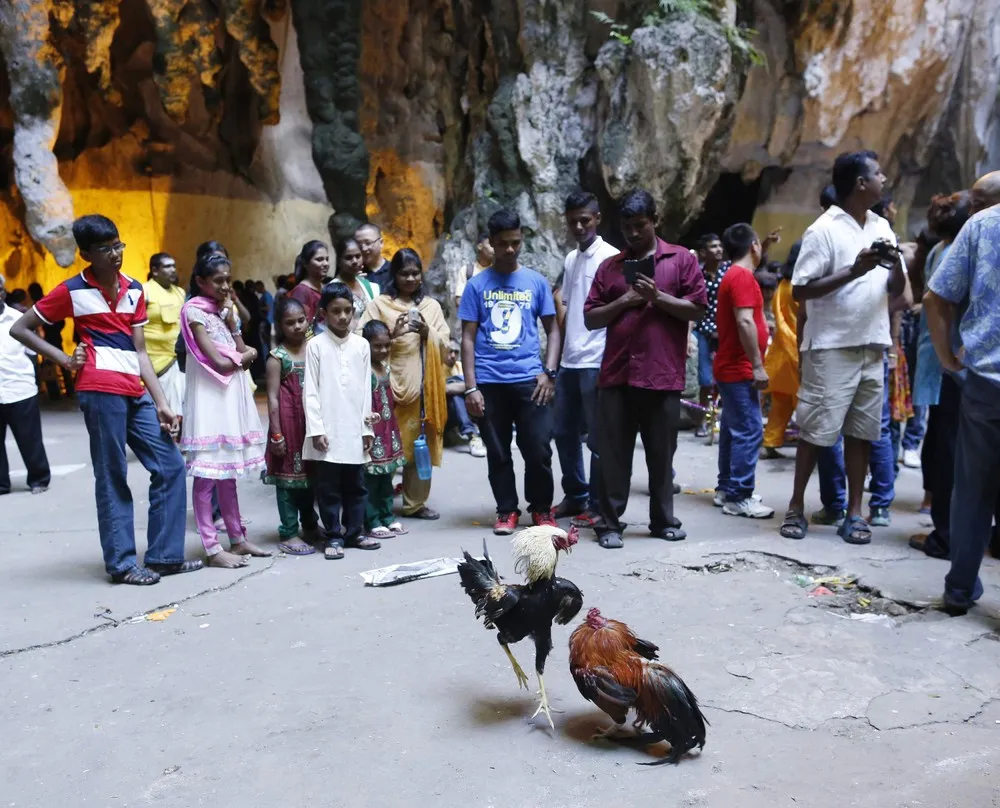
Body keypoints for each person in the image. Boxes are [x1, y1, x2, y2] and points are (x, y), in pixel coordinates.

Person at [11, 215, 202, 584]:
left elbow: (141, 351)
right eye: (105, 249)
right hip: (99, 390)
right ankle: (123, 564)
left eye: (118, 245)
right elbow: (21, 328)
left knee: (171, 466)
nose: (115, 254)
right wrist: (65, 360)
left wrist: (161, 401)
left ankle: (163, 557)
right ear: (86, 254)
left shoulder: (134, 289)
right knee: (112, 474)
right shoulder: (71, 291)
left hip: (134, 389)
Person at [779, 151, 906, 545]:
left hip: (872, 344)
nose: (885, 178)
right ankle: (796, 507)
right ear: (860, 184)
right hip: (831, 346)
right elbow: (800, 289)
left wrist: (895, 262)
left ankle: (854, 513)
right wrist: (856, 269)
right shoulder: (824, 229)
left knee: (862, 434)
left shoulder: (881, 225)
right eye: (878, 173)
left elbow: (898, 292)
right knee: (816, 431)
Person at [584, 190, 708, 548]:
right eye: (627, 227)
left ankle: (663, 520)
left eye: (640, 225)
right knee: (613, 455)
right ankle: (608, 523)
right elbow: (590, 318)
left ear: (654, 220)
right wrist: (626, 300)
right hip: (617, 375)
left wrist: (658, 298)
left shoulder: (680, 260)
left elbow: (697, 309)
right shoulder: (610, 267)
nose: (634, 234)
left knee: (661, 453)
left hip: (661, 375)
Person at [924, 172, 1000, 614]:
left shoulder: (982, 226)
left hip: (986, 381)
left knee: (972, 489)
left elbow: (936, 298)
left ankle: (959, 590)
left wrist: (948, 357)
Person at [459, 208, 561, 535]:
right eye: (503, 243)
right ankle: (506, 510)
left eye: (515, 242)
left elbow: (554, 330)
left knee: (539, 447)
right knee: (498, 451)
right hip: (489, 382)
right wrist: (471, 387)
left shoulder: (535, 282)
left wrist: (549, 371)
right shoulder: (477, 285)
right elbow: (468, 337)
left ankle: (541, 508)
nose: (510, 250)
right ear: (490, 243)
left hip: (531, 380)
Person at [181, 252, 269, 569]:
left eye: (228, 280)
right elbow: (222, 361)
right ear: (201, 281)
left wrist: (235, 329)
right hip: (208, 401)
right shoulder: (194, 311)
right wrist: (247, 356)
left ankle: (238, 537)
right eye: (218, 281)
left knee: (227, 472)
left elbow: (242, 349)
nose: (225, 286)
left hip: (230, 398)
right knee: (206, 475)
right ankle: (211, 546)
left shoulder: (222, 312)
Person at [361, 248, 449, 520]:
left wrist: (427, 333)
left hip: (420, 388)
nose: (410, 278)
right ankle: (380, 505)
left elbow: (444, 343)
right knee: (382, 447)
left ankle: (415, 503)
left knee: (417, 447)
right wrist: (393, 334)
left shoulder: (430, 307)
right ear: (394, 275)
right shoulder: (379, 305)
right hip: (383, 388)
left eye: (414, 273)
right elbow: (361, 339)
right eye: (404, 273)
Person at [908, 192, 971, 558]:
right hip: (956, 363)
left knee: (942, 441)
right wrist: (951, 358)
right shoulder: (954, 253)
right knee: (951, 447)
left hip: (943, 361)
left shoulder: (938, 251)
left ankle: (946, 528)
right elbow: (937, 303)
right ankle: (947, 533)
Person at [552, 190, 620, 528]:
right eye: (573, 221)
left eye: (585, 220)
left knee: (597, 438)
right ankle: (575, 493)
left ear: (597, 219)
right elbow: (566, 307)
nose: (579, 226)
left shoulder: (612, 258)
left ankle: (596, 503)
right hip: (569, 360)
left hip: (597, 358)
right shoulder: (570, 259)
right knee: (563, 432)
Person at [304, 283, 379, 559]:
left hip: (354, 427)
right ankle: (333, 536)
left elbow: (365, 390)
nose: (344, 317)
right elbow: (310, 391)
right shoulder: (315, 346)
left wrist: (366, 427)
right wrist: (316, 429)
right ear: (324, 313)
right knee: (329, 487)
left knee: (356, 484)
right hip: (328, 429)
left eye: (348, 310)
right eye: (336, 311)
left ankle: (355, 532)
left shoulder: (361, 345)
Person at [713, 224, 774, 518]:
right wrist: (758, 366)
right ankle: (739, 495)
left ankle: (727, 487)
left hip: (730, 365)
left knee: (732, 429)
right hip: (739, 368)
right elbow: (745, 322)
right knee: (749, 430)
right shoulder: (743, 277)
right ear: (753, 245)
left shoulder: (733, 274)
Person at [263, 296, 319, 556]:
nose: (297, 326)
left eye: (301, 320)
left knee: (309, 477)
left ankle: (310, 525)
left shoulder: (315, 348)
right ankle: (288, 531)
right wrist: (276, 434)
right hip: (287, 425)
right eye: (290, 323)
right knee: (287, 480)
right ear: (280, 326)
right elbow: (272, 397)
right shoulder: (277, 358)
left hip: (310, 424)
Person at [0, 274, 50, 495]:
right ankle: (1, 484)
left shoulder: (19, 320)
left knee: (30, 439)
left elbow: (33, 354)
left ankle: (39, 479)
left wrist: (34, 384)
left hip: (20, 389)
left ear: (2, 293)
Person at [361, 319, 407, 540]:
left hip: (388, 429)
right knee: (371, 480)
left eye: (387, 345)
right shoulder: (363, 371)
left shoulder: (385, 367)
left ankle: (387, 516)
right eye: (377, 346)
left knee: (387, 477)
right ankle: (372, 520)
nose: (383, 350)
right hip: (373, 431)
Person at [762, 243, 801, 458]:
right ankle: (809, 447)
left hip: (781, 352)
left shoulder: (783, 285)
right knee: (802, 403)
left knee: (781, 402)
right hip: (798, 351)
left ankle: (770, 442)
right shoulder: (803, 287)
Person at [692, 233, 729, 437]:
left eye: (719, 245)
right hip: (704, 331)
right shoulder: (698, 274)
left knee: (725, 380)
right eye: (713, 246)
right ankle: (702, 421)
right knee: (706, 380)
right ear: (704, 252)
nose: (718, 249)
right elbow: (693, 305)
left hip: (725, 333)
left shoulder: (729, 271)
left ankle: (721, 422)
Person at [143, 252, 186, 417]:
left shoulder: (180, 293)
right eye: (167, 266)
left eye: (174, 266)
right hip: (155, 361)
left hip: (177, 359)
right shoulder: (144, 291)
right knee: (158, 411)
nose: (173, 270)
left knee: (180, 409)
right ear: (155, 271)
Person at [443, 338, 486, 456]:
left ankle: (494, 432)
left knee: (482, 390)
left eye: (456, 352)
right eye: (449, 351)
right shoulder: (436, 368)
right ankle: (472, 436)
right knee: (456, 393)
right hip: (444, 414)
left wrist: (464, 386)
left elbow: (478, 385)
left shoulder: (461, 366)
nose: (453, 355)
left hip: (465, 409)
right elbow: (443, 389)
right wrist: (466, 385)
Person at [330, 236, 378, 331]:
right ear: (339, 261)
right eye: (349, 258)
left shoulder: (370, 287)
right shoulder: (332, 289)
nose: (355, 261)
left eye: (358, 256)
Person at [289, 240, 330, 328]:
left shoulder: (325, 287)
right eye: (319, 259)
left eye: (327, 259)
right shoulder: (302, 291)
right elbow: (302, 327)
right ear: (305, 264)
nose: (326, 263)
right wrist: (313, 341)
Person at [453, 232, 494, 311]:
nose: (494, 248)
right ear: (480, 246)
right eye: (490, 245)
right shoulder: (467, 271)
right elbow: (458, 300)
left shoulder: (499, 271)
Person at [356, 223, 392, 291]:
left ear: (381, 243)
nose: (364, 248)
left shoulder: (394, 271)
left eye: (368, 243)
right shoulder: (355, 272)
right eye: (358, 244)